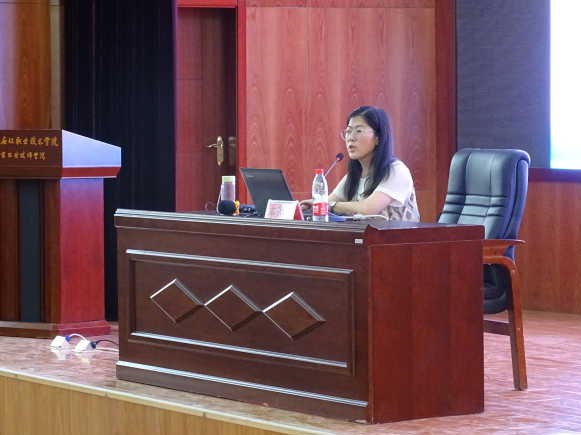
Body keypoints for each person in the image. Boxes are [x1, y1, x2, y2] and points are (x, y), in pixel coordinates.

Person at [303, 105, 420, 221]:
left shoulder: (396, 170)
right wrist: (308, 206)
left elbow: (368, 208)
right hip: (363, 233)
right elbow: (329, 201)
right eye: (348, 131)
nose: (350, 138)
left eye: (358, 131)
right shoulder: (354, 176)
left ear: (378, 138)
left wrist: (329, 205)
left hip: (398, 234)